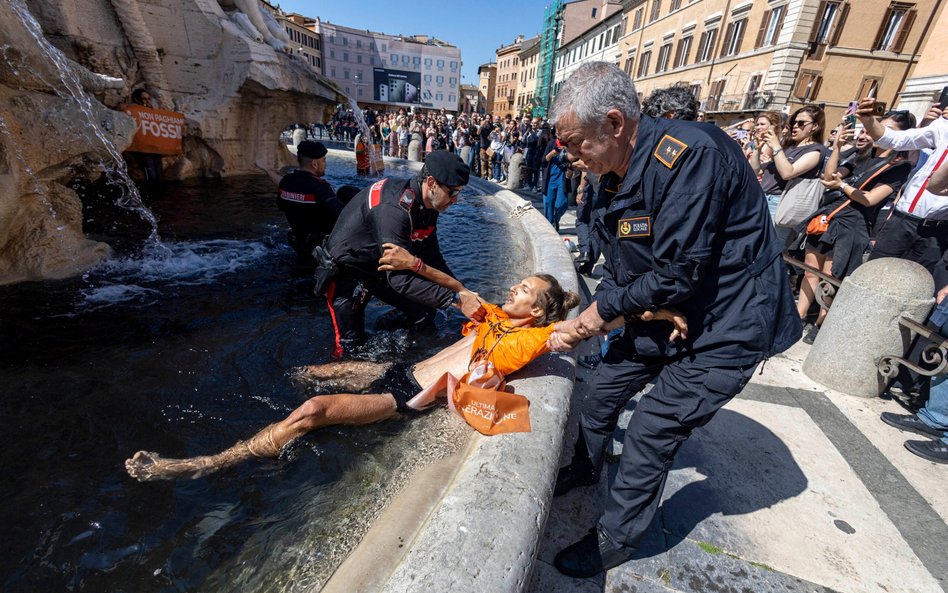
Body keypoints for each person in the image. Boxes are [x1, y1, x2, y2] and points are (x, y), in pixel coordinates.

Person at [542, 62, 801, 578]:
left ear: (615, 123)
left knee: (652, 428)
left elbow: (678, 270)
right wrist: (628, 309)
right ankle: (582, 466)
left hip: (727, 323)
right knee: (602, 389)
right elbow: (620, 257)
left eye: (574, 143)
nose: (567, 156)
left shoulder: (691, 157)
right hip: (663, 311)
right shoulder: (609, 169)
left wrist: (598, 315)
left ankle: (617, 537)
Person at [125, 270, 583, 481]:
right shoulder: (495, 317)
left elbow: (565, 332)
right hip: (397, 370)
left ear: (538, 310)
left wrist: (603, 318)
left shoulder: (527, 339)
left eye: (523, 289)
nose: (513, 287)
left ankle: (206, 464)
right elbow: (462, 291)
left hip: (406, 395)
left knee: (313, 410)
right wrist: (411, 264)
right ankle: (273, 428)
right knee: (309, 373)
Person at [320, 151, 482, 359]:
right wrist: (456, 300)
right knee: (350, 349)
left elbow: (431, 256)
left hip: (380, 267)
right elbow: (399, 278)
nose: (456, 200)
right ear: (431, 182)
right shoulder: (395, 211)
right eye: (452, 193)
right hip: (348, 272)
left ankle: (396, 346)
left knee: (424, 312)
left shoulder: (429, 203)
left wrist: (464, 291)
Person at [796, 113, 914, 342]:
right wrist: (838, 148)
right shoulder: (859, 154)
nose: (875, 131)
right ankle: (799, 314)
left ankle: (821, 323)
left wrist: (841, 185)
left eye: (884, 128)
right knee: (811, 269)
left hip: (854, 223)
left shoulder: (898, 167)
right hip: (829, 216)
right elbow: (828, 176)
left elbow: (869, 199)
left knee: (831, 276)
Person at [860, 99, 948, 287]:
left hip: (938, 230)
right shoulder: (943, 126)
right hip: (903, 220)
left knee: (914, 288)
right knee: (873, 279)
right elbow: (897, 140)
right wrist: (868, 120)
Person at [750, 105, 828, 241]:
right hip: (763, 197)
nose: (795, 126)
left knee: (771, 248)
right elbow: (756, 170)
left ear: (815, 126)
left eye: (801, 123)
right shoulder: (788, 147)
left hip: (780, 203)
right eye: (793, 123)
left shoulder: (816, 150)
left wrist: (775, 146)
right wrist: (757, 149)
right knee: (753, 242)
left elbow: (787, 173)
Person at [277, 141, 345, 260]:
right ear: (314, 164)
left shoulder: (285, 182)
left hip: (297, 242)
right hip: (321, 247)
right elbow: (342, 214)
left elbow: (281, 205)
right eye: (323, 160)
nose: (325, 164)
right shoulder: (320, 187)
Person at [542, 135, 570, 231]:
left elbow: (574, 160)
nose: (560, 135)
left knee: (562, 203)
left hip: (562, 178)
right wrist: (552, 153)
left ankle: (555, 220)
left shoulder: (569, 144)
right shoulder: (551, 143)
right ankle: (550, 227)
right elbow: (543, 160)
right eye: (559, 133)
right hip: (550, 178)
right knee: (548, 204)